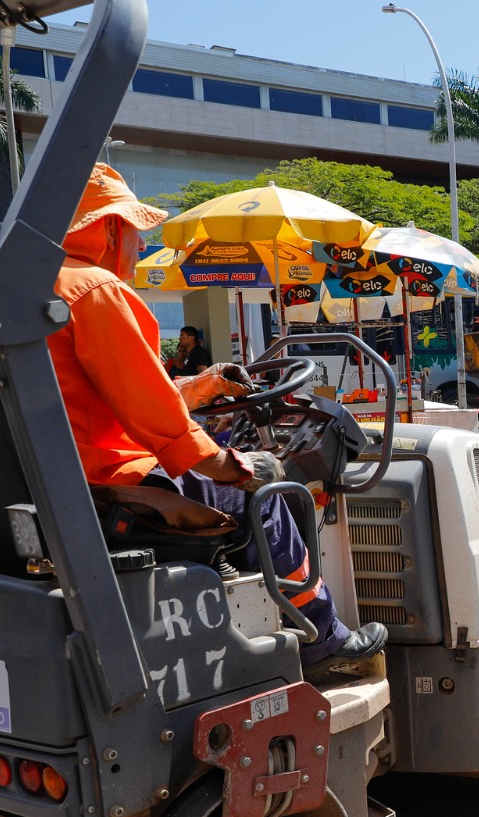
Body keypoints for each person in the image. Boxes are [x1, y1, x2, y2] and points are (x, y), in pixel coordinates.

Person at [47, 164, 386, 684]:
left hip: (74, 478)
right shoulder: (95, 290)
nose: (141, 246)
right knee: (266, 493)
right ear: (109, 227)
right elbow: (153, 416)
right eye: (135, 231)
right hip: (118, 480)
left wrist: (204, 386)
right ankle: (323, 638)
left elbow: (117, 397)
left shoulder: (36, 291)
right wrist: (228, 465)